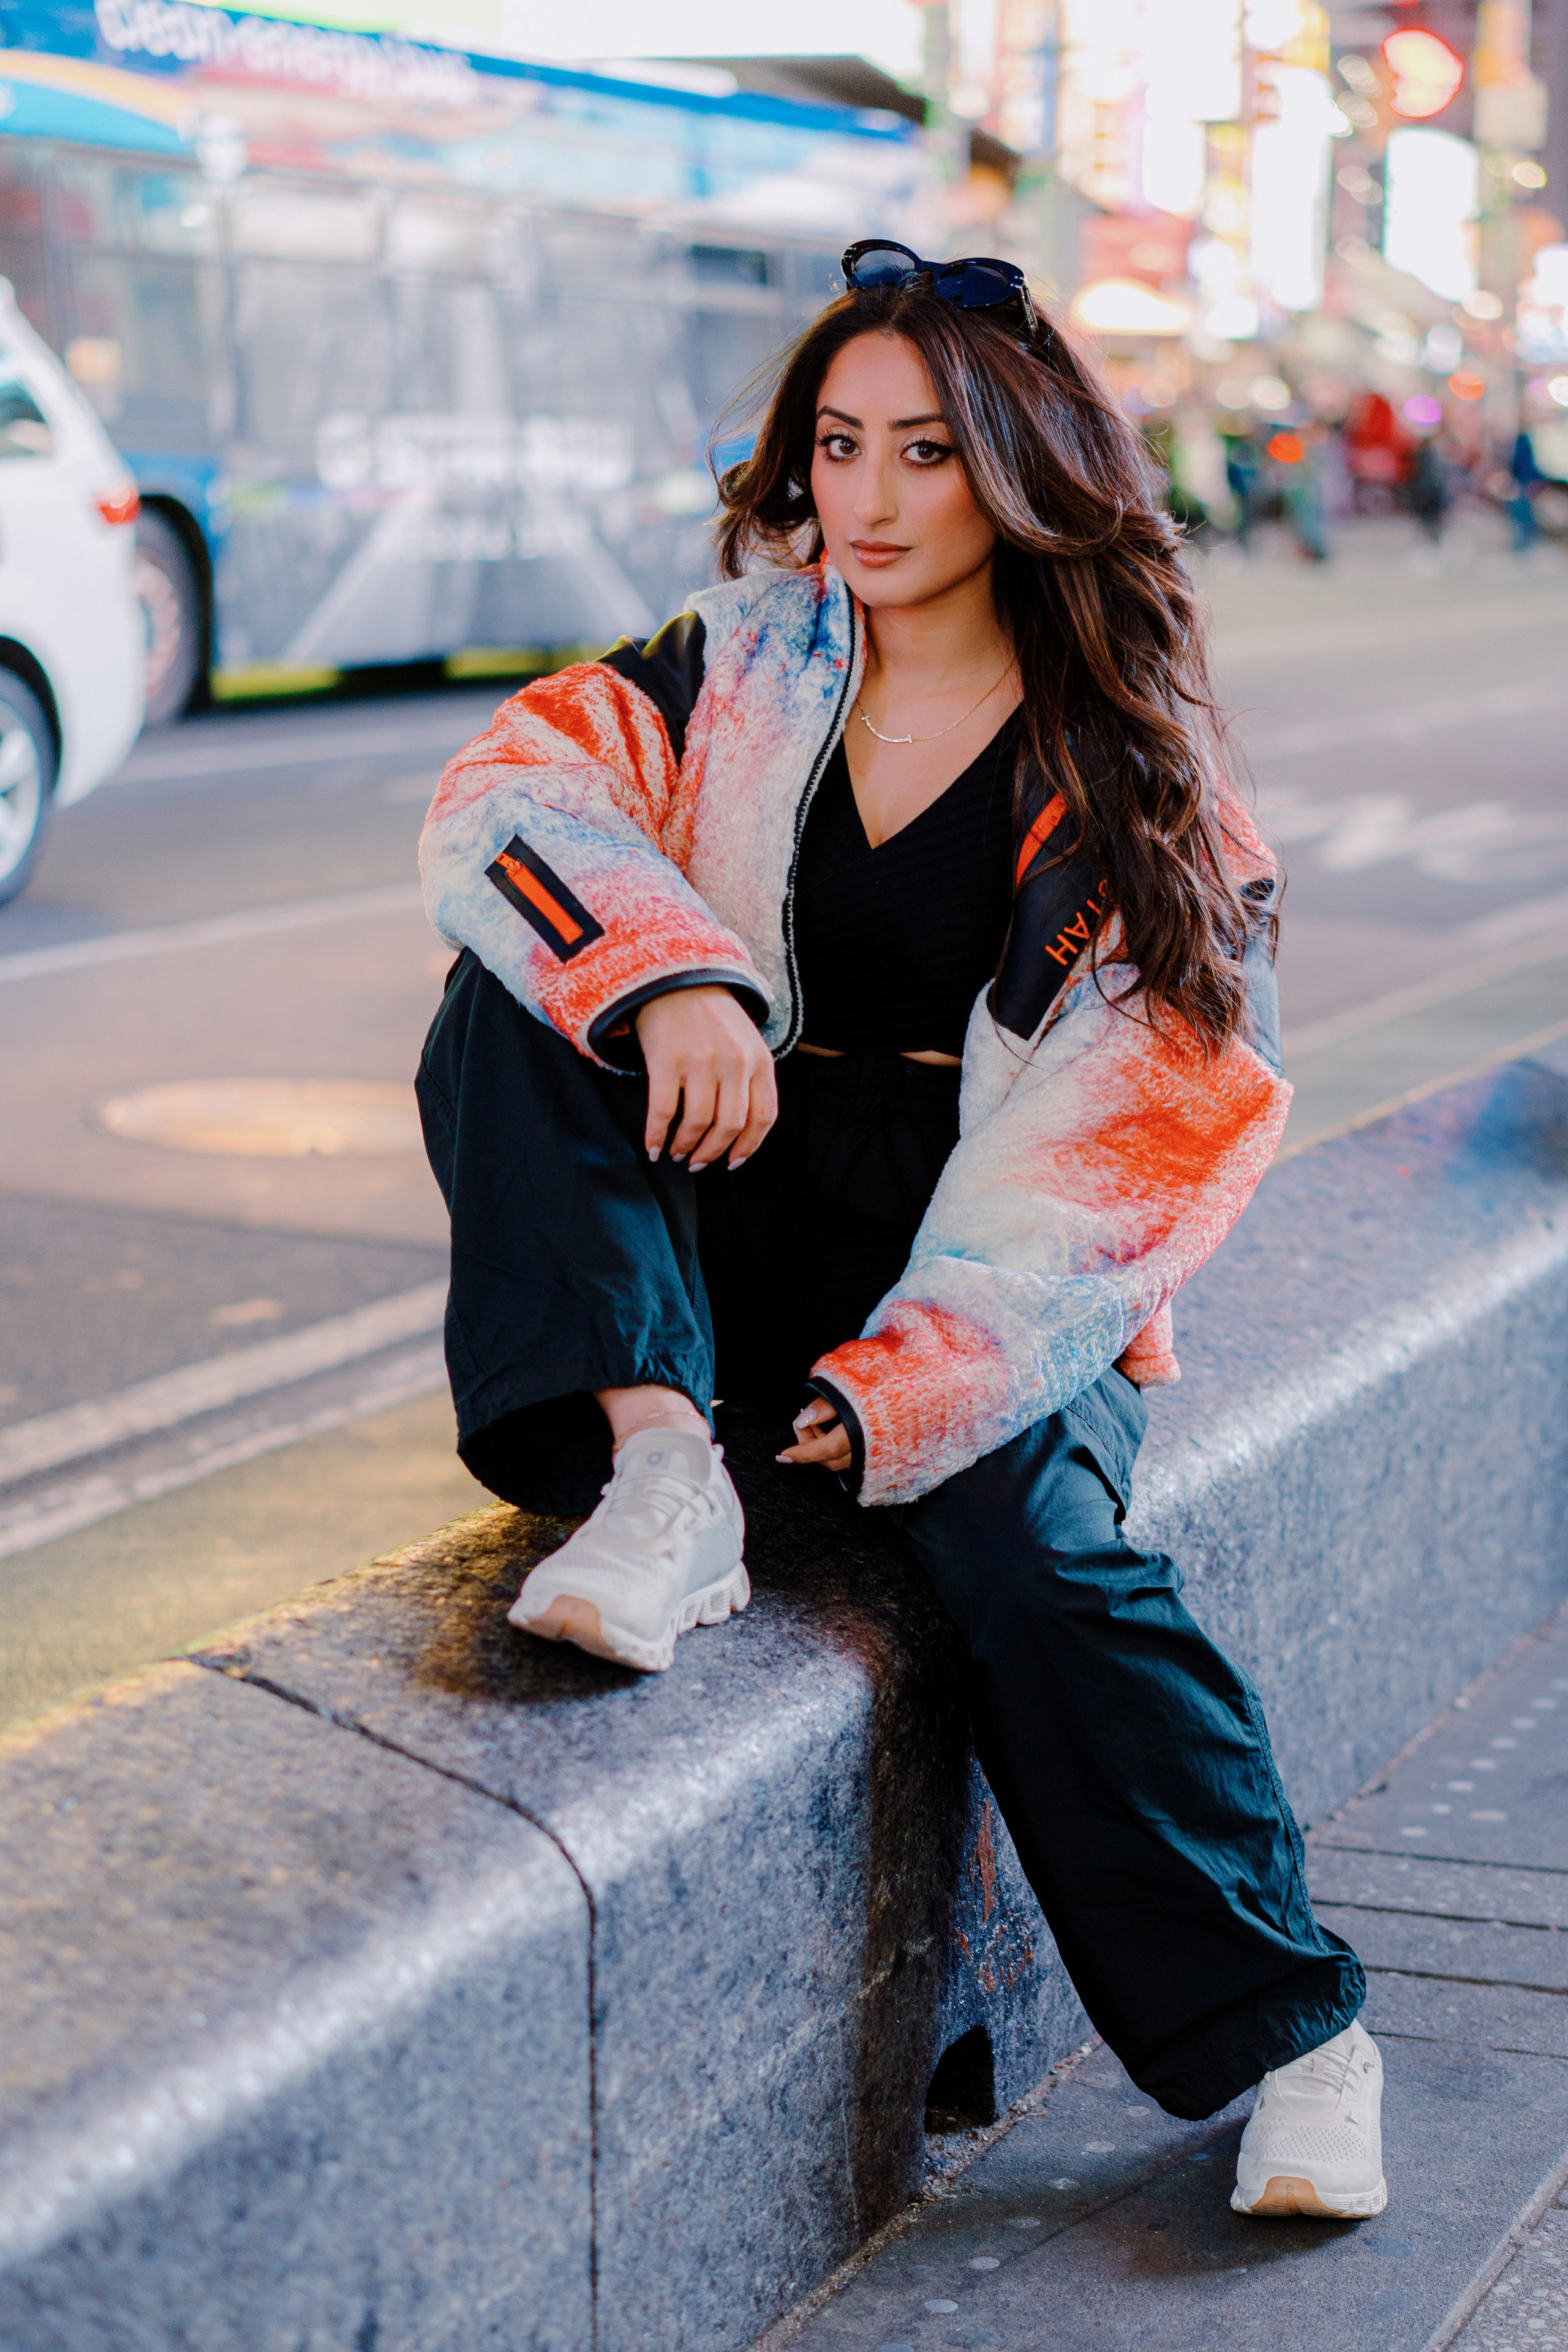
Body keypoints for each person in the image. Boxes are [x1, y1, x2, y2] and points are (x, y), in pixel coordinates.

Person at [415, 241, 1385, 2224]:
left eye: (923, 453)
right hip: (735, 1176)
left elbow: (1151, 1134)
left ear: (1018, 471)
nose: (863, 498)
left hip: (993, 1259)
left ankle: (1298, 2037)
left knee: (1035, 1564)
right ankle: (662, 1468)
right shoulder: (738, 663)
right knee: (510, 990)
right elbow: (508, 794)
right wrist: (671, 976)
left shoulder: (1134, 773)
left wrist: (916, 1384)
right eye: (838, 445)